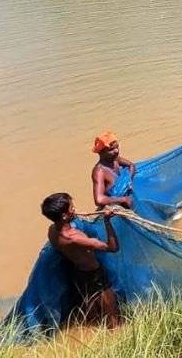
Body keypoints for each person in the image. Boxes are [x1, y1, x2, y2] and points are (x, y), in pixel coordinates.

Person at [41, 192, 122, 328]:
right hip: (95, 276)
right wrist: (107, 221)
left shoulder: (52, 230)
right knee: (113, 316)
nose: (75, 209)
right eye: (72, 207)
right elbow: (112, 247)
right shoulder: (74, 238)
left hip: (78, 274)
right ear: (64, 216)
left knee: (91, 312)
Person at [92, 131, 135, 211]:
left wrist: (129, 180)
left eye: (117, 147)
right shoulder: (99, 171)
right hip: (114, 209)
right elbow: (99, 200)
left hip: (127, 202)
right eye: (111, 149)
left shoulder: (115, 159)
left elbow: (131, 165)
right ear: (101, 152)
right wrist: (123, 199)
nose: (116, 151)